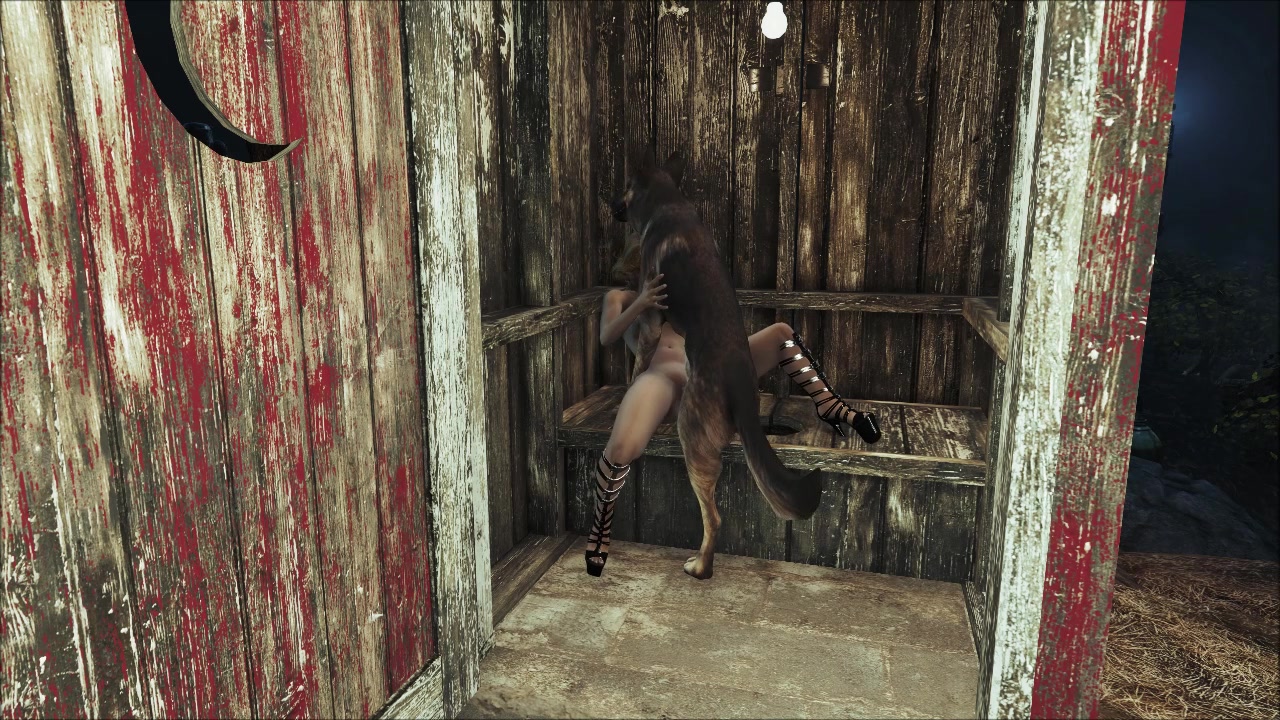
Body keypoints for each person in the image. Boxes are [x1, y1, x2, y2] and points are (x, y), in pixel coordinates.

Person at [585, 240, 878, 576]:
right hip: (661, 381)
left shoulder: (681, 299)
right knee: (622, 448)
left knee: (781, 334)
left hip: (707, 377)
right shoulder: (621, 297)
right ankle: (600, 527)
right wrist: (642, 301)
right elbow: (607, 336)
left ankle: (830, 405)